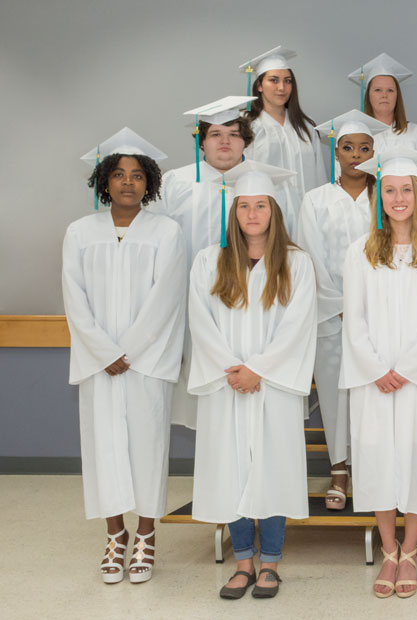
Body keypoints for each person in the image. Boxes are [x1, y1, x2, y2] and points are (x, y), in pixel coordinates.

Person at [187, 161, 317, 600]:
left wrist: (259, 368)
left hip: (272, 384)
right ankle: (242, 561)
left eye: (261, 205)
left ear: (274, 212)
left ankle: (271, 565)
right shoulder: (210, 261)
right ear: (234, 211)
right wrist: (234, 370)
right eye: (244, 206)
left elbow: (298, 325)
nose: (252, 214)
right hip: (227, 384)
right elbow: (200, 322)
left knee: (272, 468)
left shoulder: (296, 264)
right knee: (231, 470)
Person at [341, 148, 417, 598]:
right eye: (389, 190)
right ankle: (387, 549)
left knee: (416, 457)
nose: (397, 198)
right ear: (379, 196)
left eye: (405, 190)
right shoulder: (361, 252)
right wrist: (376, 368)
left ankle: (410, 548)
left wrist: (406, 369)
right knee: (375, 458)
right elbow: (353, 317)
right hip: (373, 380)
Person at [68, 128, 186, 584]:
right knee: (103, 449)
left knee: (148, 448)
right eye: (118, 174)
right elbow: (74, 298)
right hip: (101, 365)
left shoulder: (166, 231)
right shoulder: (80, 232)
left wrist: (128, 351)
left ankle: (147, 535)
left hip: (145, 363)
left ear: (150, 182)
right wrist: (103, 352)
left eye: (138, 175)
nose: (128, 183)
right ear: (104, 181)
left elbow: (166, 297)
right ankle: (114, 535)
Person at [152, 95, 266, 430]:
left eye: (233, 133)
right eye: (216, 134)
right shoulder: (176, 182)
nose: (225, 141)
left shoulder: (259, 184)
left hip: (250, 302)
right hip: (189, 301)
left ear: (245, 139)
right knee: (201, 383)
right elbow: (157, 240)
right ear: (202, 141)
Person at [296, 109, 390, 510]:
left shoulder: (387, 197)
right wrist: (338, 306)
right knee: (335, 394)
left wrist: (372, 308)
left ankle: (373, 471)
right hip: (330, 315)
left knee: (375, 394)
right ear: (335, 152)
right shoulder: (316, 199)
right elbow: (309, 258)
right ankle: (339, 470)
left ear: (374, 152)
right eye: (347, 147)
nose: (355, 154)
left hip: (381, 315)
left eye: (364, 147)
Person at [239, 46, 327, 237]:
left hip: (308, 217)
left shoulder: (305, 127)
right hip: (266, 219)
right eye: (273, 80)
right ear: (259, 85)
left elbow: (319, 175)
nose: (281, 87)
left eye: (287, 81)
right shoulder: (247, 126)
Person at [350, 53, 417, 189]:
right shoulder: (355, 135)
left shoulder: (416, 132)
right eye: (378, 90)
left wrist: (399, 196)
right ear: (368, 95)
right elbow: (349, 175)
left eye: (390, 90)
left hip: (406, 205)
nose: (384, 95)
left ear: (397, 96)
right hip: (366, 205)